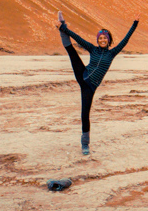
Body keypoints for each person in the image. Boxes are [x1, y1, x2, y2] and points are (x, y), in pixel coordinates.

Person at [57, 10, 138, 155]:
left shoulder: (112, 53)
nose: (102, 40)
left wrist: (135, 24)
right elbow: (78, 38)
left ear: (108, 40)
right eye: (100, 38)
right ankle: (62, 26)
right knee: (72, 52)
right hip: (83, 74)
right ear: (97, 40)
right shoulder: (93, 49)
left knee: (84, 114)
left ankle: (85, 144)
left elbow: (126, 39)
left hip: (90, 87)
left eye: (104, 38)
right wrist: (65, 29)